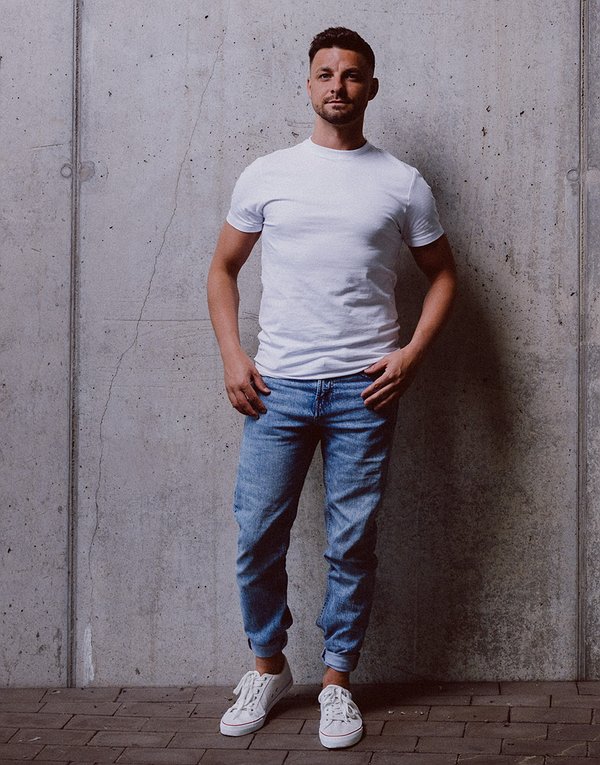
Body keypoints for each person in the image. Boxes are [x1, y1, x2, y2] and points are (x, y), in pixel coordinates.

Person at [207, 26, 456, 749]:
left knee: (351, 541)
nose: (337, 86)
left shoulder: (401, 182)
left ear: (370, 87)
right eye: (325, 73)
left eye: (351, 75)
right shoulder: (267, 174)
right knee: (258, 534)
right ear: (309, 84)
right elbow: (222, 269)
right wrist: (233, 356)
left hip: (363, 391)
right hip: (277, 387)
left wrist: (410, 356)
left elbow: (445, 274)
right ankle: (268, 666)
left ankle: (337, 681)